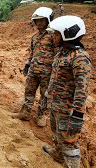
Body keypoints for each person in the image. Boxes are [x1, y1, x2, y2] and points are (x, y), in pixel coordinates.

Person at [42, 16, 92, 168]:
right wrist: (46, 97)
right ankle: (58, 153)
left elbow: (82, 89)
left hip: (67, 109)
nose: (53, 37)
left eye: (56, 34)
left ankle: (72, 164)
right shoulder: (62, 53)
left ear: (67, 35)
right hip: (56, 105)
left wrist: (77, 115)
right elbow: (54, 78)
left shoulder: (80, 58)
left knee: (69, 141)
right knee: (57, 132)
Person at [12, 7, 56, 127]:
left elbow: (57, 54)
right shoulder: (34, 37)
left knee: (44, 94)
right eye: (37, 20)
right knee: (29, 91)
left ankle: (41, 115)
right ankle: (25, 112)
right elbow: (32, 52)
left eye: (42, 20)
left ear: (48, 20)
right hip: (33, 70)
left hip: (47, 72)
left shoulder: (53, 36)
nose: (39, 22)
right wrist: (27, 64)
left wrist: (55, 71)